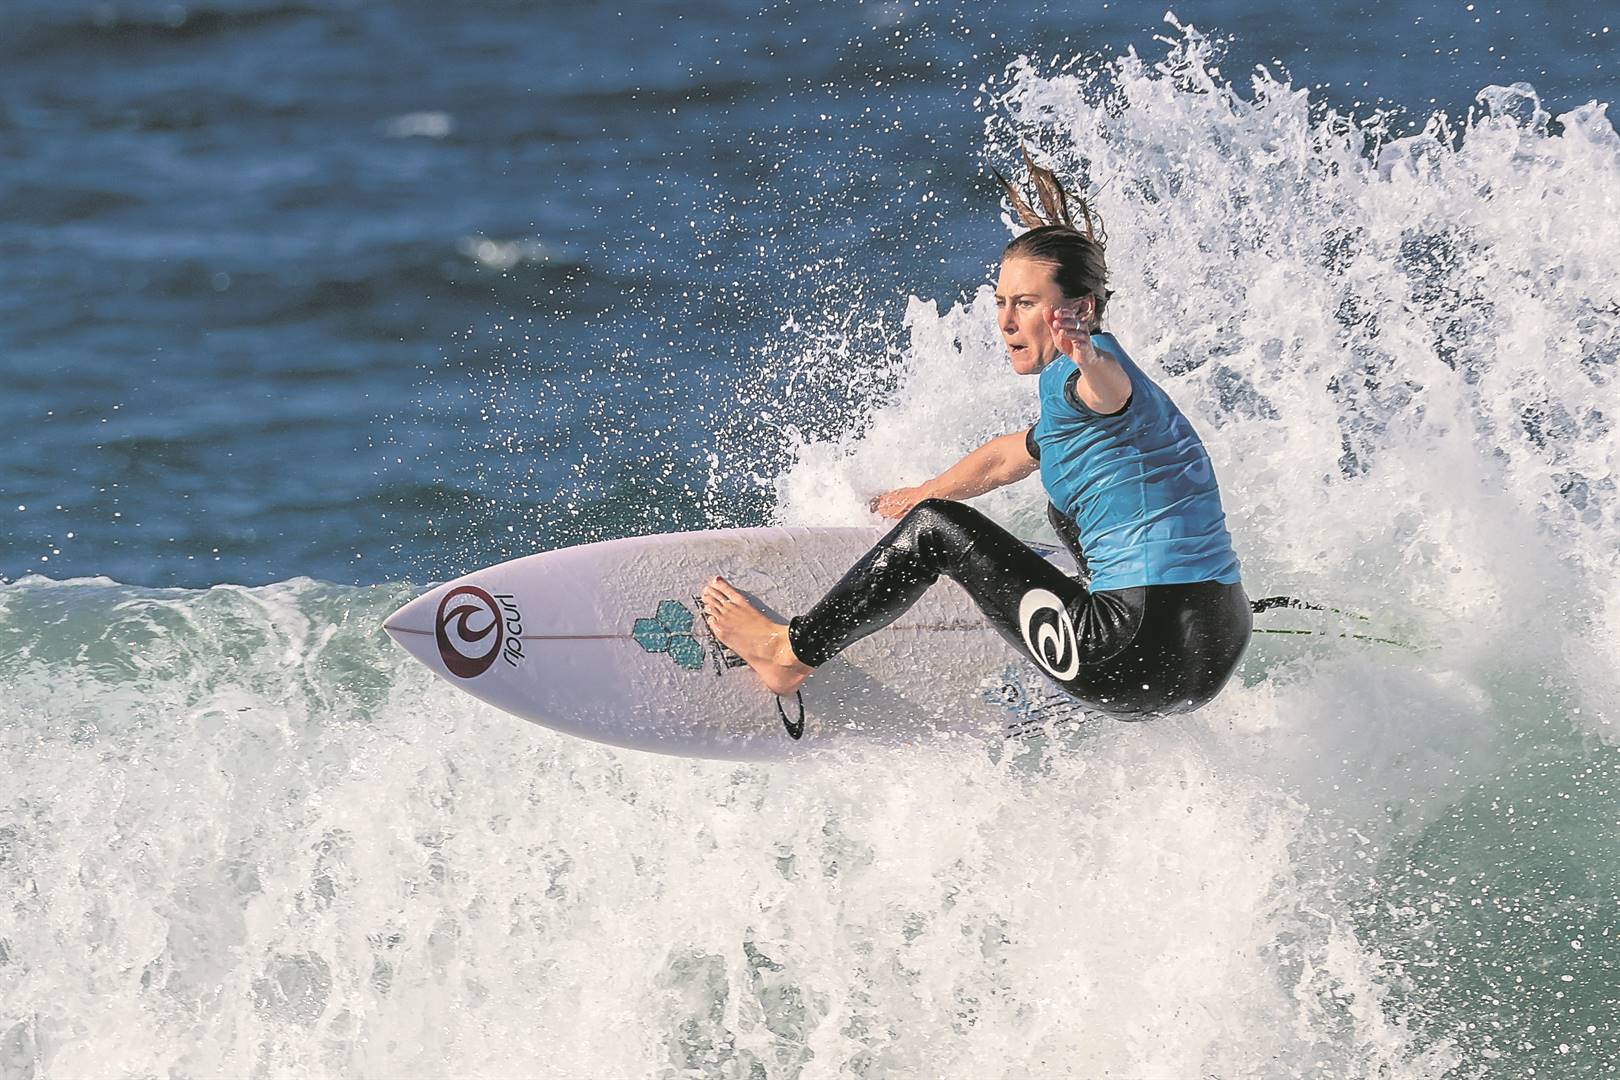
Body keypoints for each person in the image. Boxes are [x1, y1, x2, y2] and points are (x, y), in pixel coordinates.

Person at [701, 150, 1251, 718]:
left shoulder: (1089, 374)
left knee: (936, 530)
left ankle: (788, 653)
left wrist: (1086, 356)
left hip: (1129, 651)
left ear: (1081, 309)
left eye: (1027, 304)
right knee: (1033, 504)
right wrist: (919, 493)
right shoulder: (1120, 415)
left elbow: (1107, 392)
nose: (1007, 321)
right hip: (1216, 645)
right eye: (1001, 303)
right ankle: (1060, 632)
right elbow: (1008, 457)